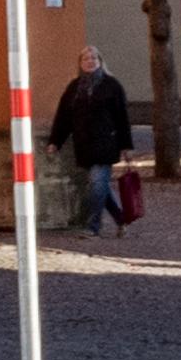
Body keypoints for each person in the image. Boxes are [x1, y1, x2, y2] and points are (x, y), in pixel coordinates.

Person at [49, 51, 137, 231]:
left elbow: (122, 118)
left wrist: (126, 146)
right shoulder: (74, 87)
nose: (90, 61)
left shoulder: (112, 85)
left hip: (106, 143)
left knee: (97, 184)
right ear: (80, 63)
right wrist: (55, 141)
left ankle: (93, 227)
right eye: (85, 59)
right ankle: (121, 219)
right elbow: (64, 117)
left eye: (93, 58)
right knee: (100, 185)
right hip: (83, 145)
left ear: (100, 61)